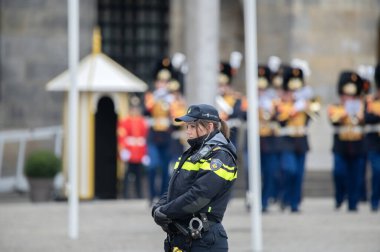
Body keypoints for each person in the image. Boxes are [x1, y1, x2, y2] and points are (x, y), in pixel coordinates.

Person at [151, 104, 238, 252]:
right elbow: (175, 188)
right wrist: (158, 208)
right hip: (182, 237)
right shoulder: (193, 153)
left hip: (203, 239)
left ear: (209, 126)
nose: (188, 131)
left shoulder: (220, 155)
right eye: (186, 127)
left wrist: (166, 211)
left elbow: (199, 196)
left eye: (192, 126)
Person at [327, 71, 365, 211]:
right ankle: (340, 195)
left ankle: (353, 203)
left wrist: (360, 115)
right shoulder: (336, 107)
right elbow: (333, 120)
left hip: (358, 144)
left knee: (356, 175)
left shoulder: (362, 106)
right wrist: (345, 113)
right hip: (341, 145)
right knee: (339, 172)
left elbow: (369, 119)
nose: (348, 97)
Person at [117, 97, 149, 199]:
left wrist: (145, 153)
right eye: (133, 108)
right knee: (127, 175)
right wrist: (123, 150)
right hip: (130, 151)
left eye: (136, 108)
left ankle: (139, 195)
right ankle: (126, 195)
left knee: (139, 175)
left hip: (139, 152)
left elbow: (145, 138)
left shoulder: (143, 122)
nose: (135, 110)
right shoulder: (125, 121)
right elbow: (122, 136)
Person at [364, 63, 380, 211]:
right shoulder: (370, 101)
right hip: (374, 141)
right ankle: (375, 200)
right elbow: (367, 118)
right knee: (377, 171)